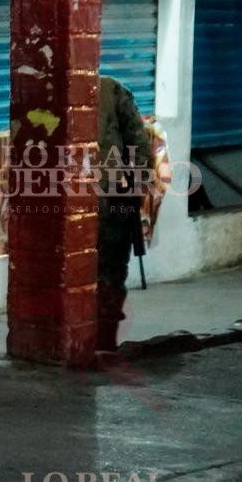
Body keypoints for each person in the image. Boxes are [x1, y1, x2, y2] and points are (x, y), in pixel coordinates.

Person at [96, 75, 155, 352]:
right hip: (110, 197)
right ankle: (104, 340)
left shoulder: (111, 90)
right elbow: (140, 145)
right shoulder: (113, 90)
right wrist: (136, 189)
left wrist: (134, 189)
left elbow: (139, 147)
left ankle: (103, 338)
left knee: (108, 268)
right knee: (110, 269)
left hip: (105, 198)